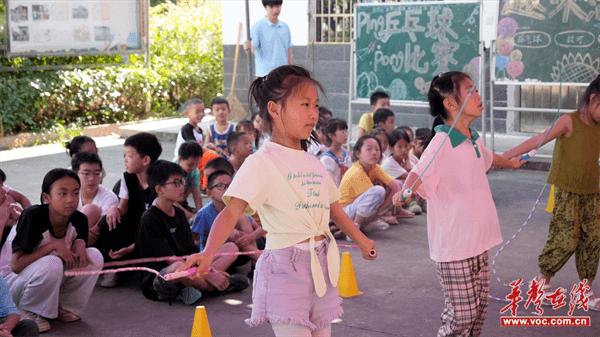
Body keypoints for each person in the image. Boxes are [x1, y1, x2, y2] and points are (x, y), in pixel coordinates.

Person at [182, 65, 376, 337]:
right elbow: (230, 212)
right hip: (285, 268)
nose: (313, 113)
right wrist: (208, 253)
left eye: (316, 105)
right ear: (274, 109)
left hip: (322, 263)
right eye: (305, 104)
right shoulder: (261, 161)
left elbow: (334, 209)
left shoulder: (314, 161)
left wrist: (362, 240)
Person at [397, 71, 523, 337]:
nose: (478, 95)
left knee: (477, 313)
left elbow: (488, 157)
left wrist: (510, 162)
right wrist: (405, 192)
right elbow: (419, 173)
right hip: (454, 247)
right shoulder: (441, 142)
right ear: (451, 104)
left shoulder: (473, 139)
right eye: (470, 90)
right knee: (462, 316)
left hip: (478, 241)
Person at [502, 74, 600, 310]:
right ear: (594, 99)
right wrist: (502, 157)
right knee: (565, 240)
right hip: (566, 191)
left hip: (592, 192)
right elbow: (539, 139)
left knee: (593, 240)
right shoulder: (569, 121)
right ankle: (540, 285)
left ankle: (584, 291)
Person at [3, 169, 103, 333]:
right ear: (46, 197)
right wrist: (52, 247)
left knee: (94, 256)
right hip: (15, 285)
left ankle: (64, 307)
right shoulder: (33, 216)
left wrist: (81, 243)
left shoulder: (79, 219)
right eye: (62, 194)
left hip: (48, 280)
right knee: (53, 261)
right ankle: (28, 311)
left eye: (75, 193)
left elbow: (81, 240)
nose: (70, 200)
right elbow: (16, 266)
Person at [137, 160, 249, 304]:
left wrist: (208, 270)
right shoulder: (149, 219)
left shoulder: (178, 213)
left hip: (190, 269)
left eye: (182, 181)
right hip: (163, 277)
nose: (182, 186)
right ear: (159, 189)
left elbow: (191, 252)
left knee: (231, 248)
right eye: (176, 183)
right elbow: (171, 259)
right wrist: (209, 274)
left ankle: (203, 287)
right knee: (178, 268)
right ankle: (222, 285)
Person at [96, 132, 162, 288]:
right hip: (133, 230)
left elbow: (158, 223)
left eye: (129, 156)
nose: (125, 159)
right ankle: (111, 268)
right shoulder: (127, 178)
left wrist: (133, 247)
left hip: (153, 233)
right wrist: (113, 209)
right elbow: (123, 208)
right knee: (107, 222)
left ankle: (128, 270)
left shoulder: (159, 182)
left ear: (145, 160)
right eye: (124, 155)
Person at [192, 170, 263, 262]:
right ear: (209, 192)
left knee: (242, 219)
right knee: (231, 233)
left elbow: (261, 228)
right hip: (217, 255)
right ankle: (261, 260)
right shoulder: (204, 214)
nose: (227, 190)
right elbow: (195, 238)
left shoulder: (238, 208)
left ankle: (257, 261)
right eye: (220, 186)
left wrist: (249, 237)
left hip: (242, 252)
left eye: (230, 186)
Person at [339, 135, 403, 232]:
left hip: (355, 208)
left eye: (377, 150)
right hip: (343, 212)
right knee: (378, 191)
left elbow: (396, 186)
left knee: (398, 183)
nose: (374, 152)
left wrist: (382, 210)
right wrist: (381, 212)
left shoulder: (374, 167)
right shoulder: (356, 171)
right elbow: (371, 200)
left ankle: (364, 223)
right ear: (357, 153)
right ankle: (354, 229)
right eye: (369, 149)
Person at [72, 152, 118, 246]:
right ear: (75, 174)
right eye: (86, 173)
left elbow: (95, 233)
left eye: (97, 173)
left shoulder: (109, 198)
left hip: (98, 245)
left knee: (91, 210)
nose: (92, 178)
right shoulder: (70, 194)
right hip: (69, 239)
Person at [245, 0, 293, 77]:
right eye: (271, 7)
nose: (275, 10)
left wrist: (291, 70)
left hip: (283, 73)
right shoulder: (258, 27)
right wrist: (247, 47)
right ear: (265, 7)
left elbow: (289, 51)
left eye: (278, 6)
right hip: (265, 74)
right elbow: (253, 48)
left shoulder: (285, 27)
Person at [382, 129, 422, 215]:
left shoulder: (404, 160)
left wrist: (407, 159)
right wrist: (407, 160)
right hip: (386, 198)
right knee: (403, 183)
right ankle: (409, 204)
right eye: (399, 147)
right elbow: (411, 178)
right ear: (392, 148)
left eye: (406, 146)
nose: (403, 150)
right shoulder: (390, 163)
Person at [0, 170, 31, 248]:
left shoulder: (5, 190)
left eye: (1, 185)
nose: (3, 190)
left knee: (8, 197)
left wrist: (28, 215)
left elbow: (21, 198)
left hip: (12, 229)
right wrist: (3, 219)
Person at [319, 118, 351, 186]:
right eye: (342, 132)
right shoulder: (326, 158)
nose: (346, 134)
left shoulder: (347, 155)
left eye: (346, 131)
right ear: (331, 135)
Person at [175, 141, 203, 215]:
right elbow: (169, 200)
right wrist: (190, 216)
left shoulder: (195, 172)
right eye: (190, 164)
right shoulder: (170, 171)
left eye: (196, 164)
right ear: (180, 159)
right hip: (169, 202)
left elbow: (197, 195)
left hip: (181, 202)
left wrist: (200, 214)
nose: (193, 167)